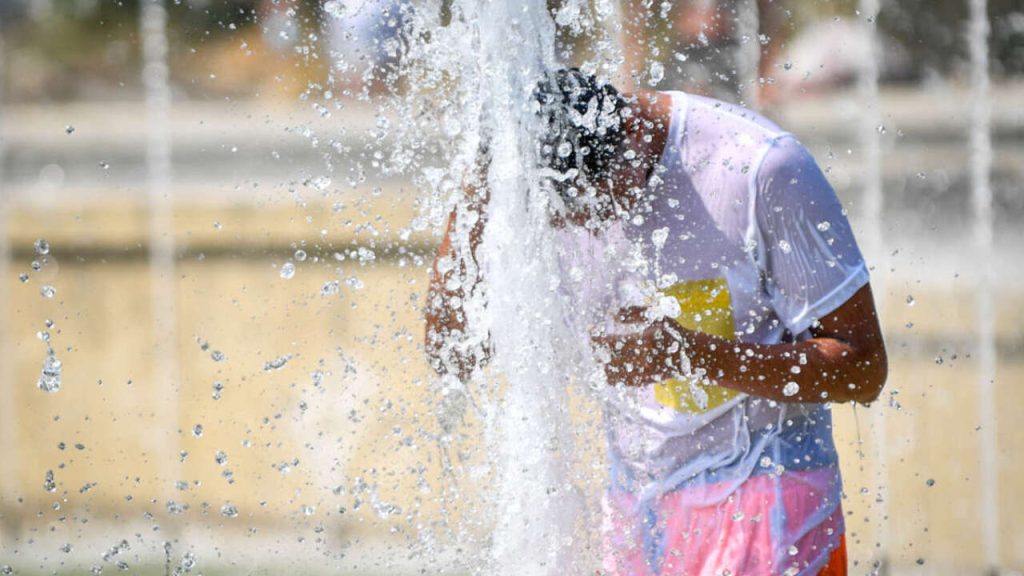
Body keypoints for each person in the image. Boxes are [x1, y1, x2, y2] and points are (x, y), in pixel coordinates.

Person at [425, 69, 887, 576]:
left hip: (770, 502)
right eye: (563, 218)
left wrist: (693, 356)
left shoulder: (761, 167)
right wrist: (476, 199)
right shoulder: (547, 185)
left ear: (630, 138)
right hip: (637, 513)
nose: (585, 227)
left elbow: (863, 368)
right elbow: (452, 351)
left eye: (592, 208)